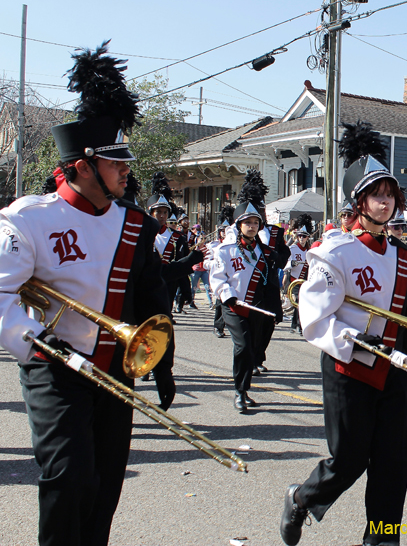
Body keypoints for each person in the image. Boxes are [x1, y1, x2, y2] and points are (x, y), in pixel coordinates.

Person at [0, 42, 170, 546]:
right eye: (116, 163)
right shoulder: (28, 219)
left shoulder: (135, 224)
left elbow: (151, 292)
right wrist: (33, 338)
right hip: (53, 365)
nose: (126, 171)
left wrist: (162, 358)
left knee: (104, 488)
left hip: (116, 367)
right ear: (81, 164)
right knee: (69, 478)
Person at [281, 121, 407, 546]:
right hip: (350, 369)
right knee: (349, 460)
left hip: (393, 371)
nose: (385, 202)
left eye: (389, 195)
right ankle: (301, 499)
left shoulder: (403, 254)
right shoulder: (333, 251)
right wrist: (356, 341)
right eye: (376, 195)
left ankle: (382, 540)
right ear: (358, 202)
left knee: (393, 465)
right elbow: (315, 320)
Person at [209, 172, 282, 411]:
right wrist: (227, 295)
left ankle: (245, 389)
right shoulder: (225, 250)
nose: (252, 227)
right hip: (233, 306)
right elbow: (218, 278)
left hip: (256, 308)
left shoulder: (264, 252)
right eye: (247, 223)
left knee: (252, 349)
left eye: (255, 223)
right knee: (242, 346)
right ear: (238, 225)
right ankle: (239, 393)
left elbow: (270, 281)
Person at [144, 172, 203, 408]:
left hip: (166, 289)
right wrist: (190, 260)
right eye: (157, 212)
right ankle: (145, 364)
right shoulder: (139, 234)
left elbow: (179, 268)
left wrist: (186, 292)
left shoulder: (177, 237)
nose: (161, 216)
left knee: (162, 332)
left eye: (165, 212)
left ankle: (160, 373)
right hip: (145, 287)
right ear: (150, 213)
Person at [284, 214, 313, 334]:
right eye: (300, 236)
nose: (301, 238)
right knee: (298, 301)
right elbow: (284, 265)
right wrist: (292, 263)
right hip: (294, 280)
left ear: (307, 238)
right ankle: (298, 325)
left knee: (302, 303)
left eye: (304, 236)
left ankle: (296, 324)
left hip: (305, 281)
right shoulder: (292, 248)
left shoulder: (310, 251)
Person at [211, 207, 233, 339]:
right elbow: (205, 262)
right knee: (220, 303)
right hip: (217, 277)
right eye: (222, 231)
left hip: (228, 276)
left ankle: (226, 325)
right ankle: (218, 326)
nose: (224, 233)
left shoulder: (232, 246)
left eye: (226, 231)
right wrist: (214, 264)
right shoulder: (213, 245)